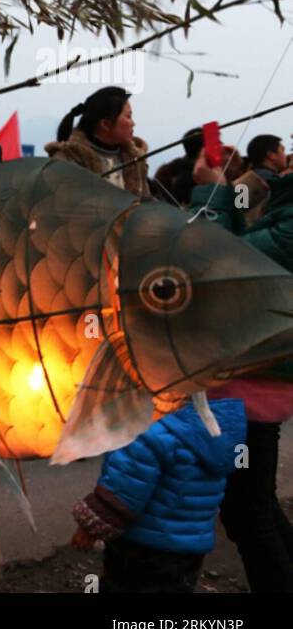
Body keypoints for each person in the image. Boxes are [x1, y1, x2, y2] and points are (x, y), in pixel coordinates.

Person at [190, 154, 293, 591]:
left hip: (255, 379)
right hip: (255, 375)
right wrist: (233, 191)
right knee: (254, 503)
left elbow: (214, 260)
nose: (288, 155)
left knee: (246, 511)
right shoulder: (283, 205)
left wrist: (211, 190)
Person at [71, 396, 246, 593]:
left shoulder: (148, 430)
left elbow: (124, 490)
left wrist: (89, 528)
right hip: (190, 549)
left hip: (143, 548)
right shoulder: (214, 426)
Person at [45, 86, 151, 197]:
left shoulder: (135, 160)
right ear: (106, 124)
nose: (133, 123)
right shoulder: (68, 160)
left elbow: (146, 206)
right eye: (128, 117)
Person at [230, 134, 289, 224]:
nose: (285, 155)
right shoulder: (274, 182)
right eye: (282, 150)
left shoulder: (244, 181)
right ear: (271, 155)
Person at [151, 127, 204, 206]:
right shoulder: (187, 177)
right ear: (203, 150)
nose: (221, 144)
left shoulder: (174, 169)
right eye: (216, 143)